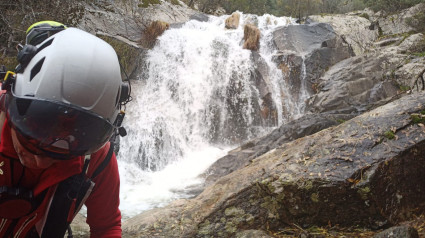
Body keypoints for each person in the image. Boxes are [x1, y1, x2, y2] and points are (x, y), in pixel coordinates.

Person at [0, 26, 129, 237]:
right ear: (11, 101)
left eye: (69, 139)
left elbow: (106, 227)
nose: (40, 162)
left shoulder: (96, 158)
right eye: (33, 132)